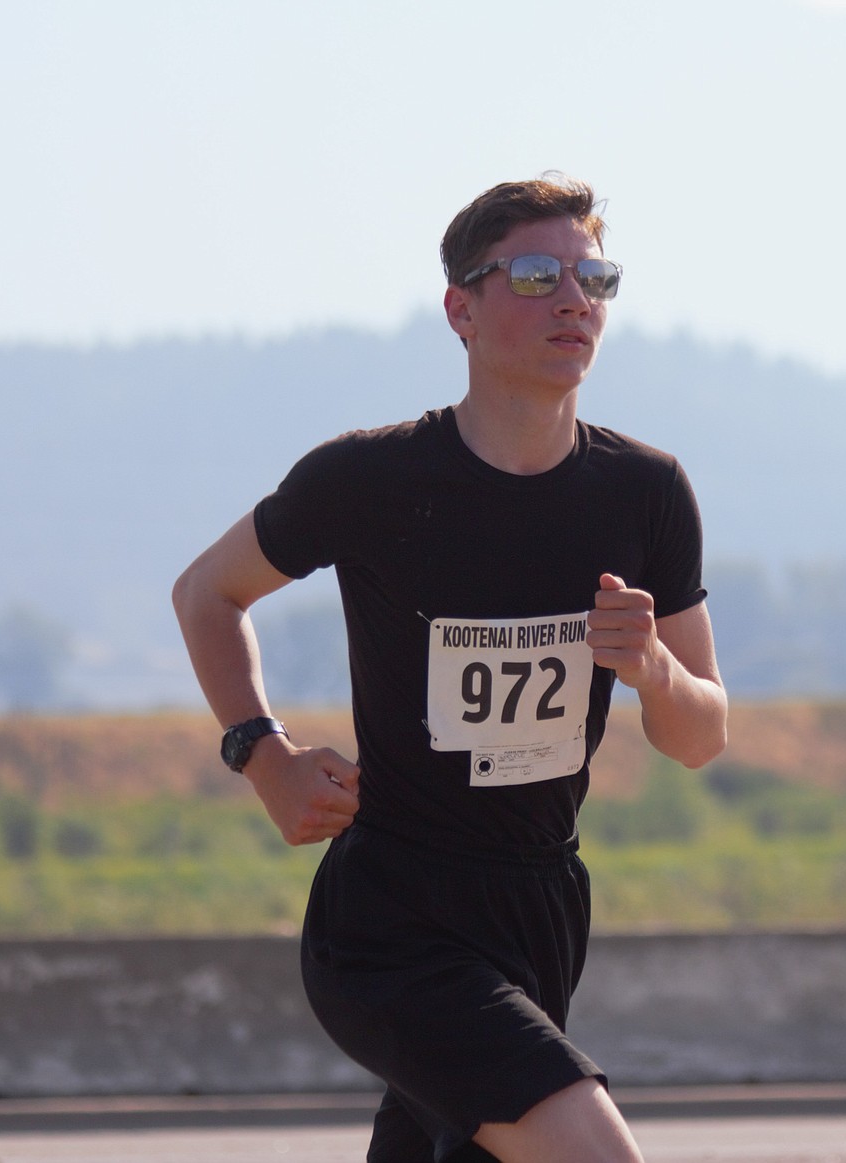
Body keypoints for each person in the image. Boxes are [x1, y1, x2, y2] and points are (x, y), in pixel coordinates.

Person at [172, 175, 727, 1163]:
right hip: (389, 917)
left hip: (540, 909)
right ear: (459, 309)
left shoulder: (647, 491)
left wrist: (652, 670)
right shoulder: (370, 479)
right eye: (534, 273)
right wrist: (264, 754)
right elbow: (206, 592)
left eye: (593, 276)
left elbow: (700, 736)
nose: (573, 299)